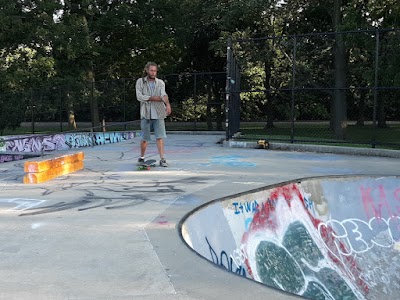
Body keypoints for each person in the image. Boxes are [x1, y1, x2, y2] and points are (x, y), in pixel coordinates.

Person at [136, 62, 172, 167]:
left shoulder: (160, 83)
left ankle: (162, 158)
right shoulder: (140, 82)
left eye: (155, 71)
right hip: (146, 112)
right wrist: (151, 98)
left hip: (159, 112)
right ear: (147, 70)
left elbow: (163, 94)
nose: (153, 72)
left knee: (160, 136)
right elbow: (139, 96)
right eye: (151, 70)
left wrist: (168, 104)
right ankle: (142, 157)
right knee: (145, 137)